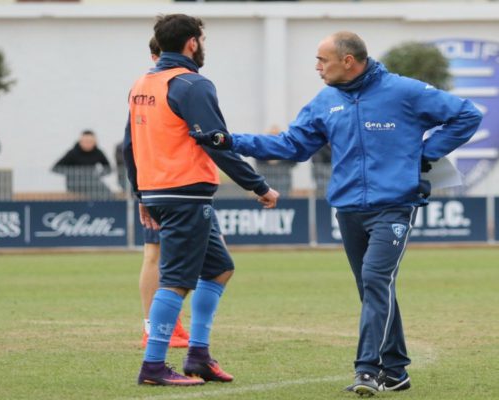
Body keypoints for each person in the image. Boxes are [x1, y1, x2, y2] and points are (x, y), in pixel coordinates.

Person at [192, 31, 482, 395]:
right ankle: (396, 371)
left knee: (375, 281)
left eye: (322, 59)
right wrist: (232, 141)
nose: (316, 66)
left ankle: (367, 370)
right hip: (347, 209)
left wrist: (425, 155)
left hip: (394, 207)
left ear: (348, 61)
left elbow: (467, 115)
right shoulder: (324, 101)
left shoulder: (404, 91)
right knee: (372, 287)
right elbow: (291, 145)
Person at [124, 14, 279, 386]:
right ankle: (153, 366)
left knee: (219, 268)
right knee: (176, 280)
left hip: (161, 192)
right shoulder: (192, 84)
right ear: (192, 42)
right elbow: (215, 142)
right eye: (202, 39)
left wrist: (140, 193)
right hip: (185, 194)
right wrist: (258, 185)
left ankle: (198, 355)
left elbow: (130, 145)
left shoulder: (143, 83)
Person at [137, 36, 190, 349]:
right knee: (155, 253)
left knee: (168, 255)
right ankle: (155, 326)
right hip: (166, 183)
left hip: (163, 182)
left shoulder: (148, 88)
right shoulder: (158, 87)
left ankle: (167, 322)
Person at [52, 130, 112, 198]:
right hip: (75, 184)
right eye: (85, 141)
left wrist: (98, 174)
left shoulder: (98, 153)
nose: (88, 144)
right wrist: (73, 173)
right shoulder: (72, 153)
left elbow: (108, 168)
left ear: (95, 142)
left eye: (90, 141)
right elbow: (55, 168)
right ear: (80, 142)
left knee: (108, 194)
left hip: (92, 182)